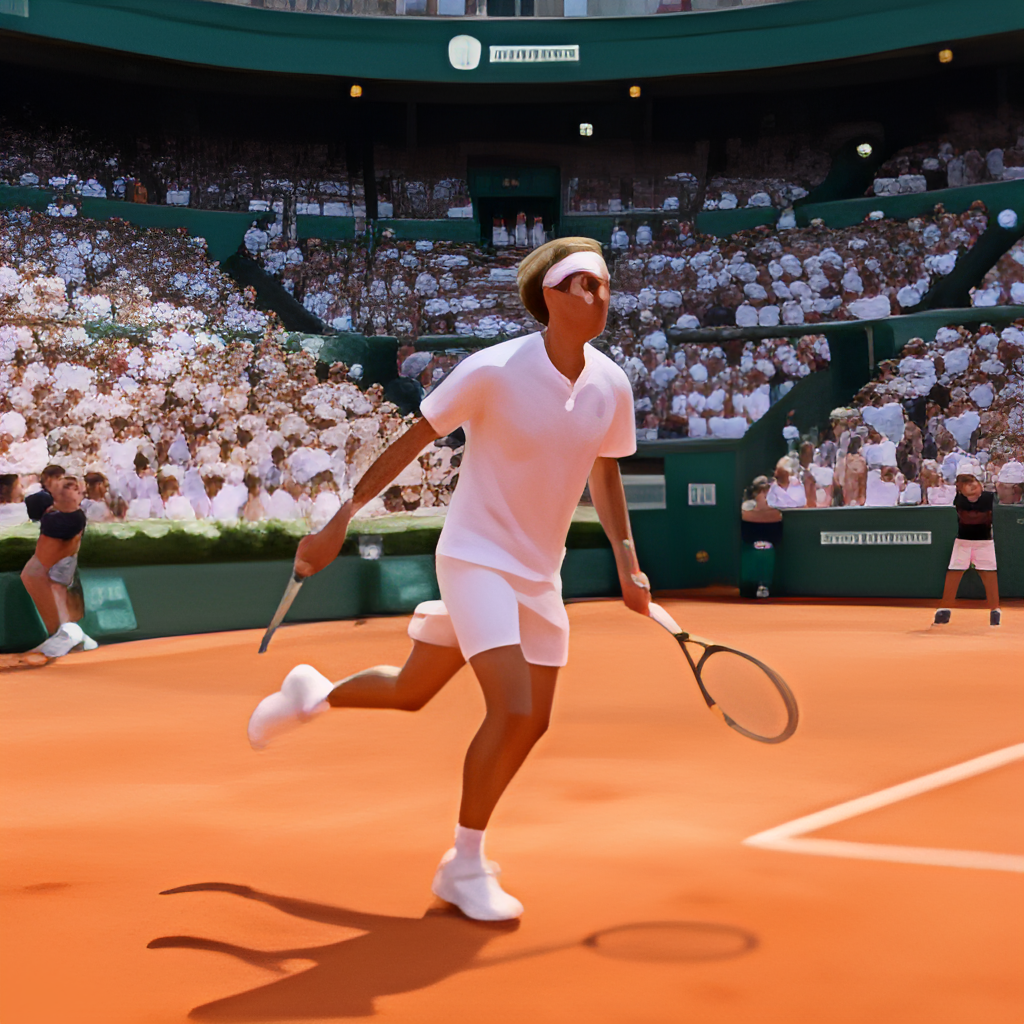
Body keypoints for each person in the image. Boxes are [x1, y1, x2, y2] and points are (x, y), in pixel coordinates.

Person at [246, 238, 647, 922]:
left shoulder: (611, 384)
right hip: (475, 556)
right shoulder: (492, 370)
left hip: (537, 573)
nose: (597, 296)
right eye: (581, 283)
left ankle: (314, 694)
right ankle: (464, 865)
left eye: (604, 284)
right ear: (548, 295)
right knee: (515, 709)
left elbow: (605, 469)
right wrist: (340, 517)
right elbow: (412, 440)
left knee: (420, 691)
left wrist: (627, 558)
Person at [20, 476, 98, 657]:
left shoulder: (63, 519)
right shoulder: (61, 518)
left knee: (42, 579)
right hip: (61, 561)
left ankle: (67, 634)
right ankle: (71, 634)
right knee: (45, 580)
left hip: (61, 559)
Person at [933, 467, 1000, 627]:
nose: (972, 486)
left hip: (985, 544)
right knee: (954, 574)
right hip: (962, 543)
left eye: (974, 483)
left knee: (989, 576)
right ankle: (944, 610)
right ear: (961, 490)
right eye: (967, 484)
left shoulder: (991, 498)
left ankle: (995, 611)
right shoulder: (956, 499)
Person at [740, 476, 782, 598]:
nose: (765, 494)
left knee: (767, 550)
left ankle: (764, 585)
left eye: (767, 490)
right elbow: (747, 517)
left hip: (770, 541)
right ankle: (751, 585)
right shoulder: (747, 505)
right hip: (750, 541)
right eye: (762, 491)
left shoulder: (775, 504)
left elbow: (776, 517)